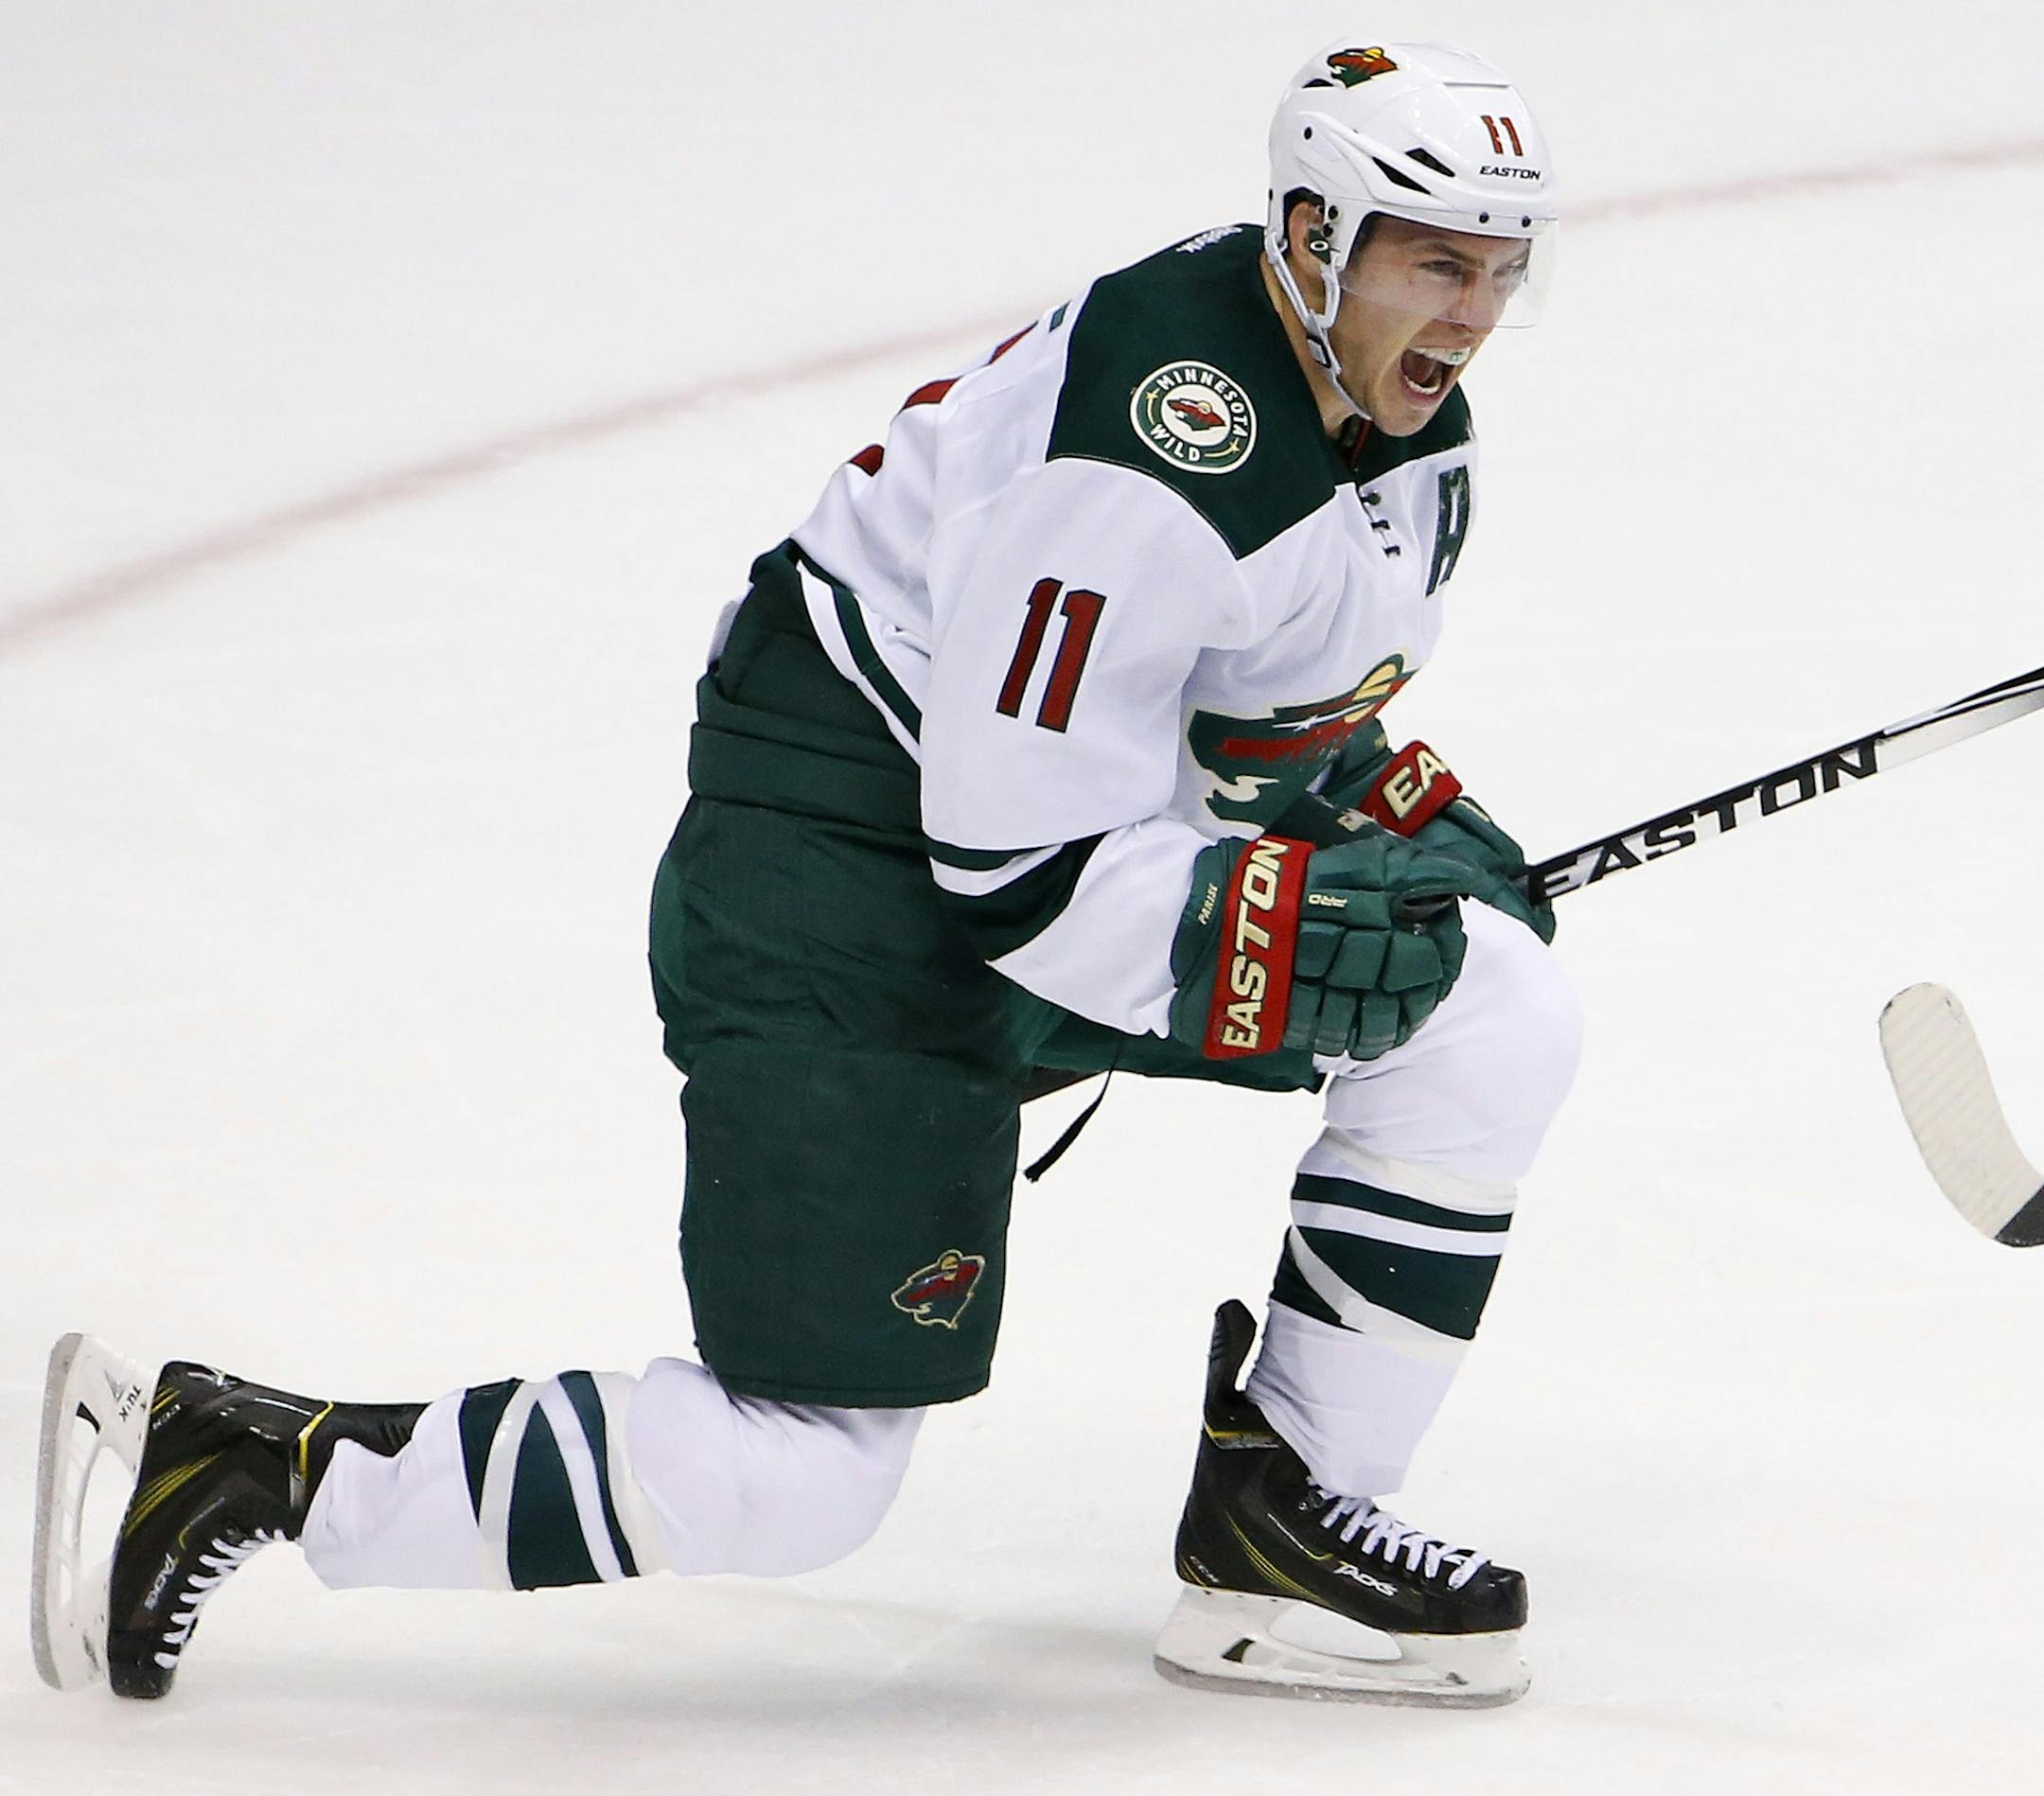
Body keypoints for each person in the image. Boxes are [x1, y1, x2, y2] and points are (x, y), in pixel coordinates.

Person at [31, 37, 1581, 1709]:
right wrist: (1274, 931)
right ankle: (233, 1462)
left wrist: (1369, 799)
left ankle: (1280, 1531)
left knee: (1485, 1010)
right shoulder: (1147, 456)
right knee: (806, 1467)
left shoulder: (1389, 421)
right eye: (1436, 262)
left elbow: (1238, 711)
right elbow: (1014, 872)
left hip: (1029, 839)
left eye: (1501, 270)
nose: (1472, 311)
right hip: (838, 884)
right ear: (1308, 233)